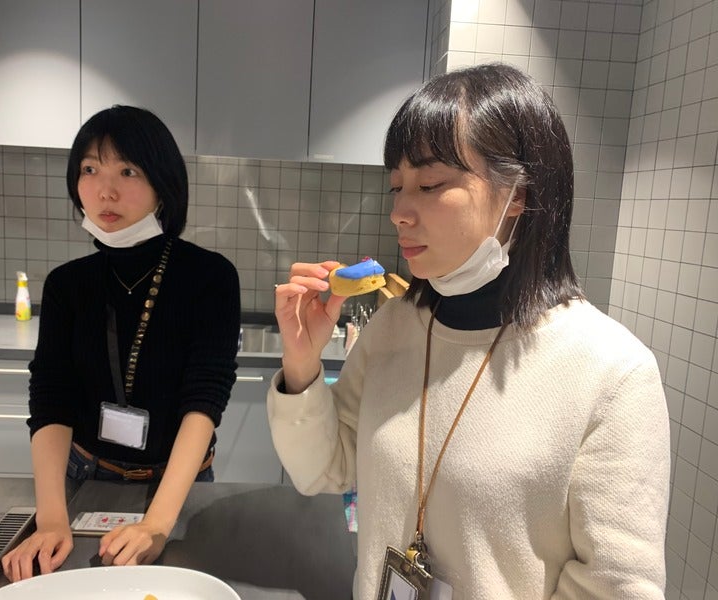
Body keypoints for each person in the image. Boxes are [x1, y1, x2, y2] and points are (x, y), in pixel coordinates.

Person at [269, 64, 669, 599]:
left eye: (430, 184)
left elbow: (616, 588)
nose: (399, 212)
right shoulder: (394, 327)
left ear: (517, 194)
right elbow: (322, 470)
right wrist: (301, 364)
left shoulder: (612, 372)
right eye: (397, 187)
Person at [2, 105, 241, 581]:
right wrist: (51, 520)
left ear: (162, 185)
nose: (104, 190)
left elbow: (204, 400)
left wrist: (157, 524)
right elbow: (51, 398)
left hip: (180, 486)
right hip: (85, 477)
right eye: (90, 169)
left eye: (127, 171)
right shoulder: (67, 284)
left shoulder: (209, 277)